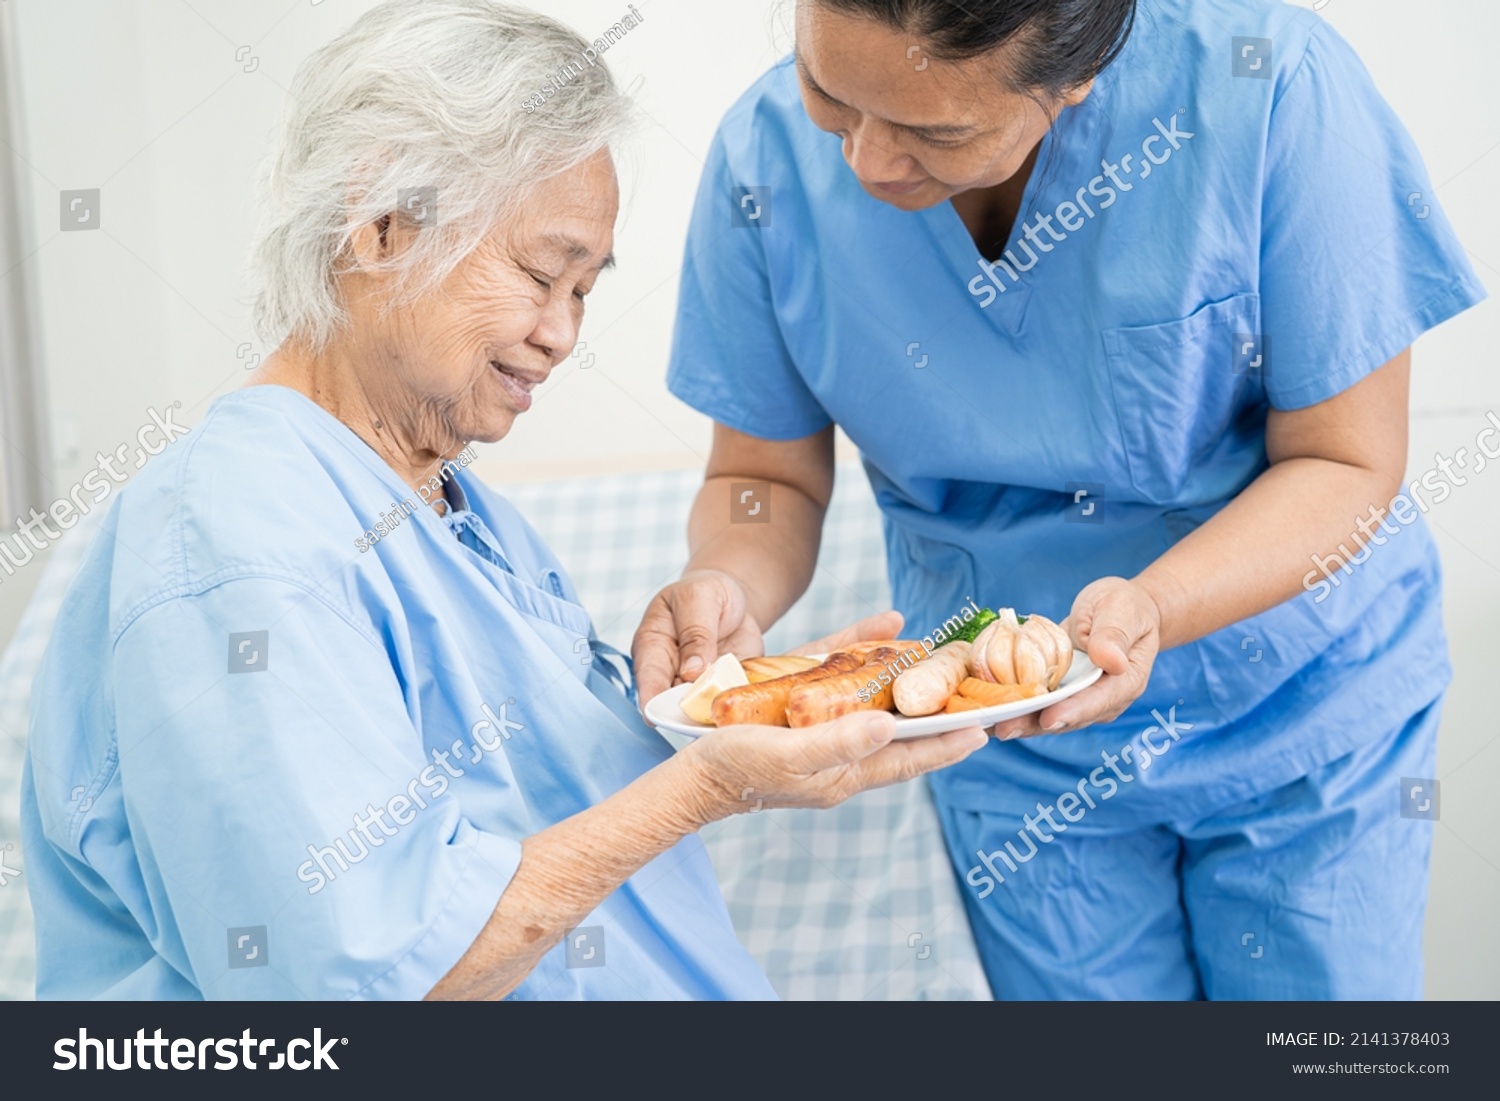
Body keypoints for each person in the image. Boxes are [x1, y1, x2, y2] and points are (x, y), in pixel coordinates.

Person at [19, 0, 986, 1002]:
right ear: (385, 226)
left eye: (583, 292)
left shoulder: (449, 507)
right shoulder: (234, 533)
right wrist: (711, 786)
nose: (563, 336)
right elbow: (367, 988)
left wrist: (728, 699)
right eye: (540, 275)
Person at [634, 0, 1485, 999]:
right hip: (1011, 732)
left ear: (1078, 73)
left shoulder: (1270, 88)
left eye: (936, 131)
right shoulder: (762, 160)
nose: (863, 162)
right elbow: (763, 479)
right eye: (829, 94)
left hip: (1300, 710)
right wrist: (728, 586)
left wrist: (1154, 609)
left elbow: (1345, 464)